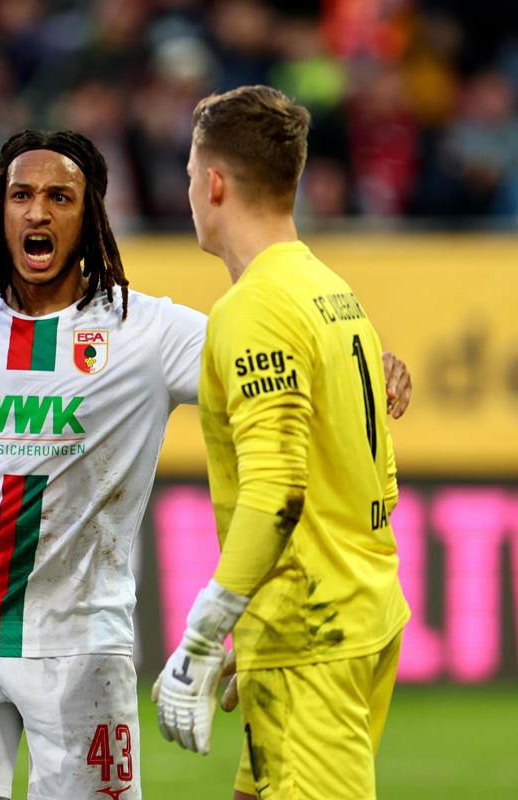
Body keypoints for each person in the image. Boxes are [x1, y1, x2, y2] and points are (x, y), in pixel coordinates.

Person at [0, 129, 412, 800]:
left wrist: (368, 359)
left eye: (59, 196)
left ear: (91, 213)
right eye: (20, 195)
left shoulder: (147, 332)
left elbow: (284, 363)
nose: (37, 212)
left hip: (83, 648)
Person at [153, 85, 409, 800]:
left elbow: (276, 493)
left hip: (313, 630)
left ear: (214, 183)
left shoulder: (256, 308)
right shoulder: (329, 288)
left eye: (189, 176)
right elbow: (370, 467)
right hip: (360, 605)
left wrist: (204, 637)